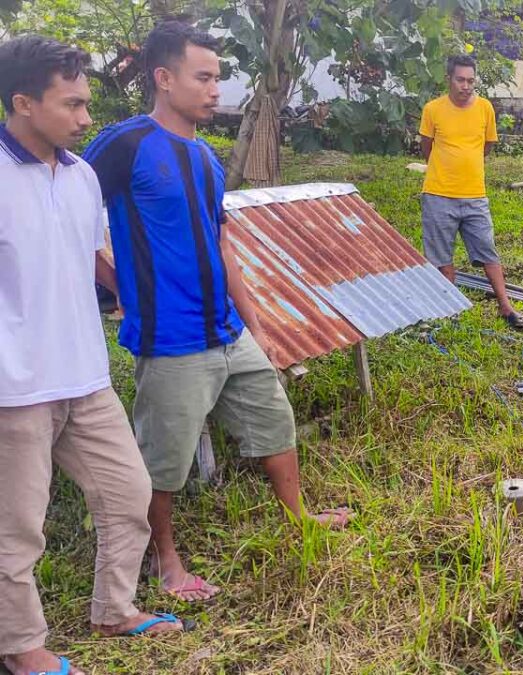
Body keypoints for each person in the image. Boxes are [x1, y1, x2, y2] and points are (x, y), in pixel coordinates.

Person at [84, 21, 350, 604]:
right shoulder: (122, 144)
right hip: (171, 339)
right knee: (165, 459)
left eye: (218, 78)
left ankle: (299, 516)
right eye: (203, 78)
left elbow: (221, 243)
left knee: (275, 421)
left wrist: (255, 325)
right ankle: (166, 561)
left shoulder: (205, 158)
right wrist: (117, 283)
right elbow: (68, 219)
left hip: (227, 332)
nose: (215, 90)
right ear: (164, 78)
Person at [0, 35, 189, 675]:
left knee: (129, 493)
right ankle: (23, 648)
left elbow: (90, 256)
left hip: (84, 374)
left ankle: (115, 609)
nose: (86, 119)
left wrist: (139, 298)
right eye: (73, 104)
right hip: (13, 387)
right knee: (18, 530)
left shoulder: (81, 175)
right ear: (23, 102)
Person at [419, 54, 523, 331]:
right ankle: (449, 308)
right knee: (441, 256)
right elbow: (426, 147)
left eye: (470, 80)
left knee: (487, 251)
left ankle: (505, 305)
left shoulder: (485, 108)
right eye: (460, 80)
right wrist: (445, 170)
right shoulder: (433, 109)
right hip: (438, 194)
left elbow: (487, 146)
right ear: (449, 79)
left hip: (475, 195)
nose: (466, 86)